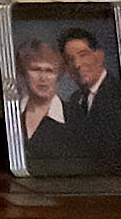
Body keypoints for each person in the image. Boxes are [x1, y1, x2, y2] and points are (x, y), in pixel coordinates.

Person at [11, 38, 95, 173]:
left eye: (50, 71)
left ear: (59, 74)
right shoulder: (10, 116)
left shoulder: (78, 119)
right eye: (36, 69)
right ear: (23, 72)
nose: (43, 78)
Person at [62, 27, 121, 164]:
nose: (77, 64)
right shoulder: (75, 100)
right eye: (70, 59)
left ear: (99, 56)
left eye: (83, 55)